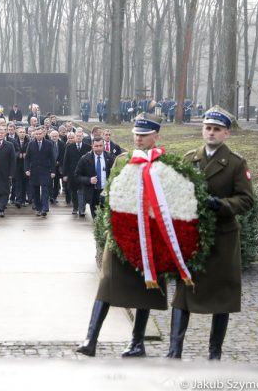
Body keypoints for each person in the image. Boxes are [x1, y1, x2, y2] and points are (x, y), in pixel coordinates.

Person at [77, 113, 167, 358]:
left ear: (155, 137)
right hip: (122, 233)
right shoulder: (122, 160)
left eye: (144, 135)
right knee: (107, 283)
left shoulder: (166, 164)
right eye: (136, 134)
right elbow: (110, 193)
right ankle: (91, 338)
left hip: (149, 236)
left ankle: (138, 342)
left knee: (145, 289)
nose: (138, 138)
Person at [167, 106, 254, 360]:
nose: (211, 133)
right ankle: (174, 351)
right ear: (203, 130)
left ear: (226, 133)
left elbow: (246, 200)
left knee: (221, 297)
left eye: (217, 129)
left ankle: (214, 353)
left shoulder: (236, 163)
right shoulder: (189, 158)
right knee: (183, 295)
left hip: (222, 239)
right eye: (208, 128)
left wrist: (222, 205)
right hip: (193, 239)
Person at [74, 137, 115, 218]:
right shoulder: (85, 159)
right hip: (93, 194)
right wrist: (89, 180)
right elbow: (77, 176)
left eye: (100, 146)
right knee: (96, 219)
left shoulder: (110, 158)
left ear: (103, 146)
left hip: (106, 193)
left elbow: (115, 174)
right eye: (96, 146)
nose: (98, 148)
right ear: (92, 146)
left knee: (107, 219)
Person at [24, 126, 55, 217]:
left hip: (45, 170)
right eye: (36, 134)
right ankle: (38, 208)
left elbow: (52, 158)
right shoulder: (31, 144)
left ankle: (45, 208)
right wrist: (26, 169)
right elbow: (27, 158)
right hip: (34, 171)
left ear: (44, 134)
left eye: (40, 134)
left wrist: (53, 171)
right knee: (36, 190)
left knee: (45, 190)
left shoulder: (49, 144)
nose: (38, 135)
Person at [62, 131, 91, 216]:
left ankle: (82, 209)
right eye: (77, 136)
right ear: (74, 137)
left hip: (83, 173)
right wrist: (65, 174)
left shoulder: (87, 147)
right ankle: (75, 207)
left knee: (82, 191)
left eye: (80, 136)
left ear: (82, 137)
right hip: (72, 173)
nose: (78, 137)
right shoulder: (69, 147)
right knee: (74, 191)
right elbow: (65, 161)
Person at [13, 126, 30, 208]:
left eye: (23, 132)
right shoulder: (14, 141)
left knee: (25, 183)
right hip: (17, 165)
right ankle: (18, 200)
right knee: (18, 183)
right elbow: (13, 152)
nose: (22, 133)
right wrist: (18, 155)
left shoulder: (29, 141)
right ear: (17, 133)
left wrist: (26, 155)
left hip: (26, 166)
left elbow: (31, 151)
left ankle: (23, 200)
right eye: (20, 132)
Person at [49, 130, 65, 204]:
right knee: (49, 182)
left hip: (58, 166)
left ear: (58, 136)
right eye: (53, 136)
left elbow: (64, 155)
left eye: (56, 136)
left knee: (56, 182)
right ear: (50, 137)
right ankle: (50, 196)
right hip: (49, 166)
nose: (55, 137)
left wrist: (59, 161)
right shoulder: (48, 144)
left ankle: (54, 197)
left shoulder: (62, 144)